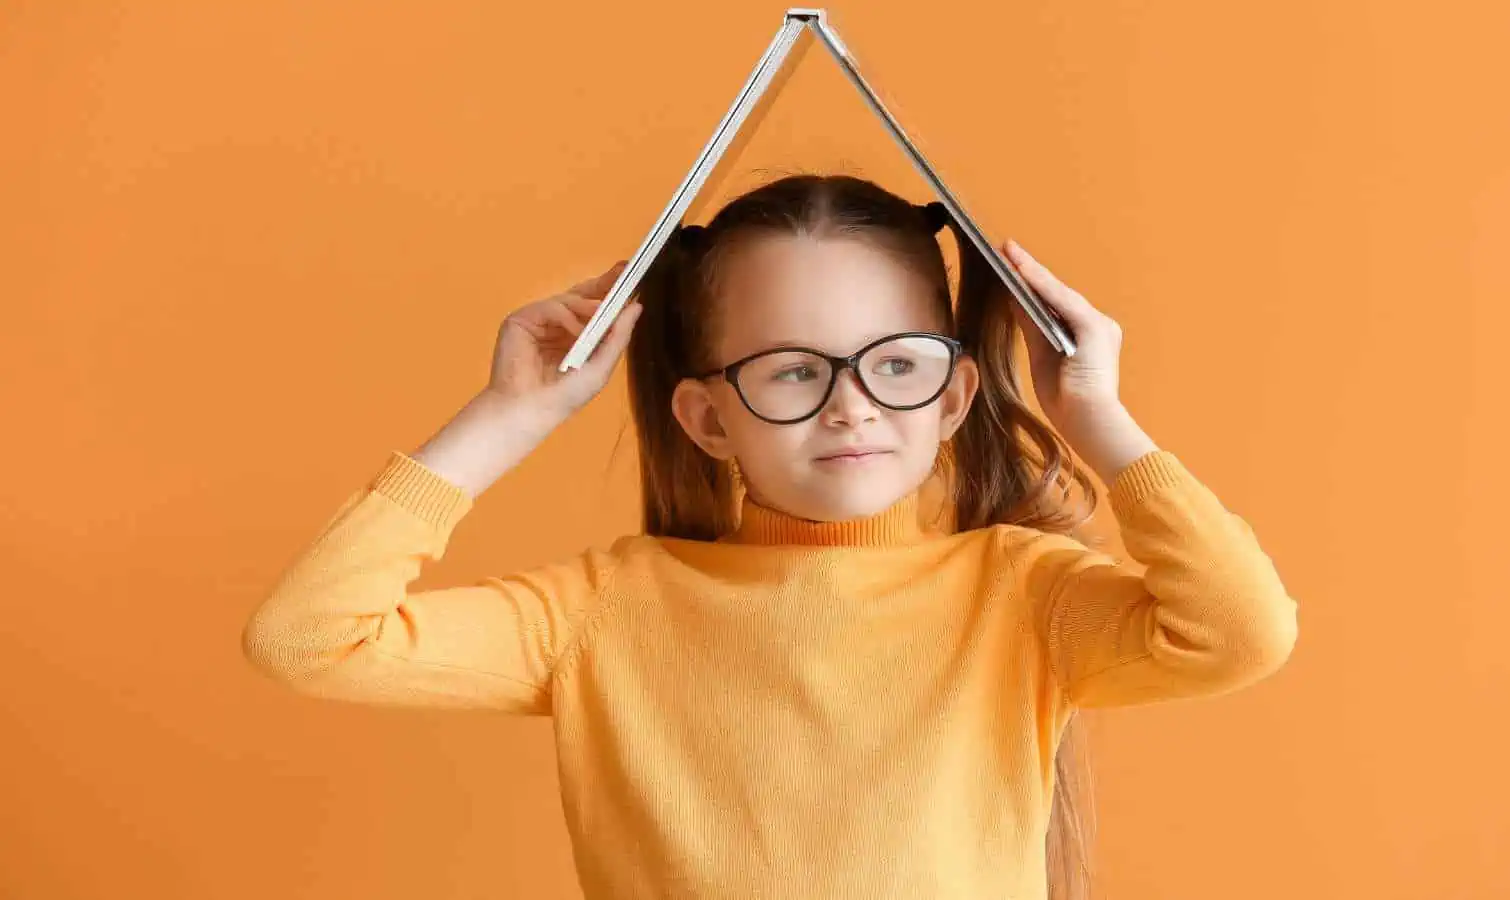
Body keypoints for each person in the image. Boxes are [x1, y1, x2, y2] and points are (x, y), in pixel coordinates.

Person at [242, 173, 1298, 899]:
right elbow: (310, 638)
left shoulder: (1020, 595)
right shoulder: (607, 611)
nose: (851, 407)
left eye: (895, 363)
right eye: (792, 370)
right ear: (707, 417)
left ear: (951, 396)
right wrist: (508, 418)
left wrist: (1099, 421)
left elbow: (1239, 633)